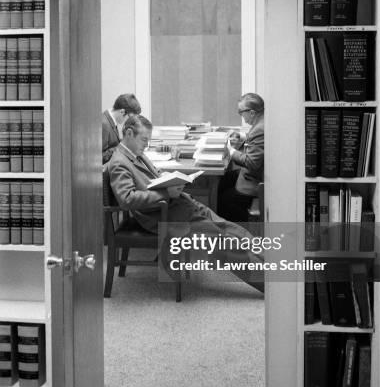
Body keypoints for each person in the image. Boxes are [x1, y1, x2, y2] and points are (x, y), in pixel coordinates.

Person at [108, 115, 264, 293]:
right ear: (129, 133)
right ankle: (272, 284)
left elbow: (155, 173)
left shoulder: (137, 154)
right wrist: (166, 192)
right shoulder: (119, 162)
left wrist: (170, 179)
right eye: (144, 140)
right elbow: (127, 199)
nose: (146, 144)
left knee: (234, 230)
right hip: (165, 215)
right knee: (225, 244)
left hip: (182, 205)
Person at [217, 93, 264, 222]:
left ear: (252, 113)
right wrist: (241, 136)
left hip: (253, 180)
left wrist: (230, 151)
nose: (241, 115)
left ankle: (235, 233)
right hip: (252, 174)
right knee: (223, 181)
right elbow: (255, 139)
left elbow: (252, 162)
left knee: (223, 201)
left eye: (241, 112)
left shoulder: (260, 129)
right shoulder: (261, 122)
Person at [102, 93, 141, 164]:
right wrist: (121, 147)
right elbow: (98, 158)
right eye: (130, 118)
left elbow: (111, 145)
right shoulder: (103, 125)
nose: (130, 121)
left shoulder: (111, 121)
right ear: (122, 112)